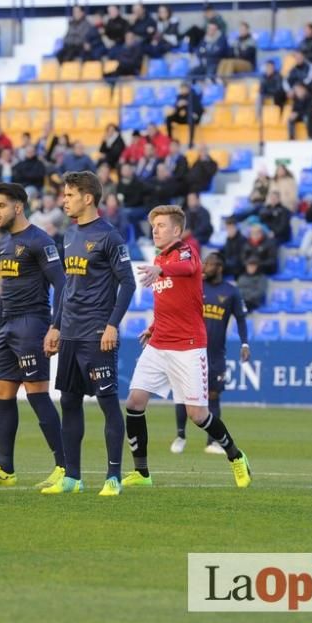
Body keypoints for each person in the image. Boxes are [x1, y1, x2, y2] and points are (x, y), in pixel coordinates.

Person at [122, 206, 251, 491]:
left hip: (188, 347)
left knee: (198, 415)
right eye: (153, 225)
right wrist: (153, 326)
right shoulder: (159, 258)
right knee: (134, 402)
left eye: (161, 225)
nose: (155, 230)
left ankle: (236, 456)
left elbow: (190, 268)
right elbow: (169, 300)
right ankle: (142, 473)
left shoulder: (187, 251)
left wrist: (161, 268)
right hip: (159, 344)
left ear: (177, 231)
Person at [0, 183, 67, 489]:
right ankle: (5, 468)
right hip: (8, 326)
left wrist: (55, 326)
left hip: (32, 325)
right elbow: (6, 293)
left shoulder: (40, 240)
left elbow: (62, 284)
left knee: (37, 394)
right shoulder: (5, 244)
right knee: (2, 393)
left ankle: (65, 467)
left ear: (18, 207)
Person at [42, 171, 135, 496]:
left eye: (69, 195)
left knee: (108, 404)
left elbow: (128, 282)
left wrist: (112, 324)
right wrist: (55, 326)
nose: (63, 200)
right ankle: (73, 477)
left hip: (97, 333)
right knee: (69, 401)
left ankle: (113, 477)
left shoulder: (110, 237)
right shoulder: (68, 235)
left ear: (88, 198)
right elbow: (67, 288)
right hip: (69, 332)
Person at [172, 252, 250, 454]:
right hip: (190, 348)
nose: (205, 267)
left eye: (209, 264)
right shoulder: (196, 285)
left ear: (220, 267)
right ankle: (180, 436)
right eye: (204, 263)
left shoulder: (231, 292)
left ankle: (212, 442)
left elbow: (241, 319)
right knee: (183, 393)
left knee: (213, 395)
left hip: (215, 353)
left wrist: (244, 344)